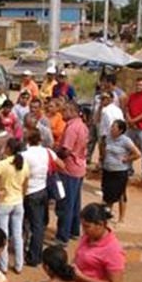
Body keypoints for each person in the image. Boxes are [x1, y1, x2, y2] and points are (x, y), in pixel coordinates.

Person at [22, 128, 64, 267]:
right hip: (43, 191)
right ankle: (36, 254)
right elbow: (61, 165)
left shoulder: (24, 155)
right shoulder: (48, 152)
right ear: (40, 139)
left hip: (29, 192)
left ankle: (31, 255)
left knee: (29, 224)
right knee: (40, 224)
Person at [0, 139, 29, 274]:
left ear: (9, 149)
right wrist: (21, 196)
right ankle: (19, 265)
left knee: (3, 235)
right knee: (18, 234)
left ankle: (4, 265)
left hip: (4, 202)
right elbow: (25, 183)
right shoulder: (23, 163)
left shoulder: (3, 164)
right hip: (18, 202)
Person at [55, 102, 89, 246]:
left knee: (65, 205)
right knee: (75, 203)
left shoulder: (71, 128)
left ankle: (63, 236)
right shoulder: (82, 125)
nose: (61, 113)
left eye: (64, 110)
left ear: (72, 111)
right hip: (79, 168)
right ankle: (74, 231)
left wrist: (54, 153)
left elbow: (66, 150)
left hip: (69, 168)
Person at [101, 120, 141, 225]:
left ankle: (121, 218)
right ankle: (107, 215)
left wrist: (127, 159)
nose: (112, 129)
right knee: (107, 194)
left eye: (114, 127)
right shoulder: (108, 138)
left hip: (120, 171)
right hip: (107, 169)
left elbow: (137, 154)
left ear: (120, 130)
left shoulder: (125, 141)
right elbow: (103, 147)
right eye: (112, 127)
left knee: (120, 194)